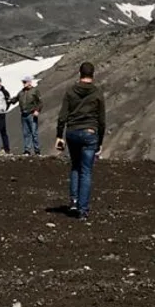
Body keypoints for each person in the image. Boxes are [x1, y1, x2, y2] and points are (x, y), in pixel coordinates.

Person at [56, 61, 106, 220]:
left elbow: (62, 115)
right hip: (90, 133)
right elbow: (102, 120)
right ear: (93, 74)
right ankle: (82, 210)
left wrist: (59, 135)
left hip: (72, 132)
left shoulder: (70, 91)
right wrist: (100, 142)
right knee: (86, 171)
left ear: (80, 73)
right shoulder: (97, 93)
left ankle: (74, 201)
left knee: (75, 166)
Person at [14, 75, 43, 155]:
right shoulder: (21, 92)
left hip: (31, 115)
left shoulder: (35, 91)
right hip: (23, 115)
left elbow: (40, 102)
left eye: (24, 82)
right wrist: (8, 100)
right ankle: (27, 150)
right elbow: (15, 99)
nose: (23, 84)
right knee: (26, 133)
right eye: (23, 82)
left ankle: (37, 151)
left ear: (29, 82)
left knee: (34, 133)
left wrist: (37, 110)